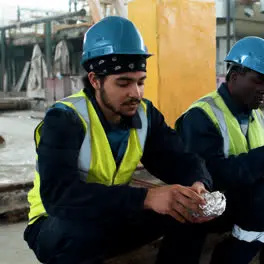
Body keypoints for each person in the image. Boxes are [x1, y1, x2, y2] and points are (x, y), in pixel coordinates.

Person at [23, 16, 215, 264]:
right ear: (95, 80)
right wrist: (146, 198)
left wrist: (197, 183)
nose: (135, 93)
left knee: (187, 211)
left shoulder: (145, 115)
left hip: (112, 214)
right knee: (80, 232)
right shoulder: (65, 119)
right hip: (55, 223)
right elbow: (59, 195)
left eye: (140, 82)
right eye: (123, 83)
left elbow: (178, 158)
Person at [173, 36, 264, 264]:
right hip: (212, 203)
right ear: (235, 77)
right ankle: (229, 257)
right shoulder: (202, 115)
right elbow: (211, 174)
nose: (263, 90)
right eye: (258, 81)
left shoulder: (255, 116)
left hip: (244, 193)